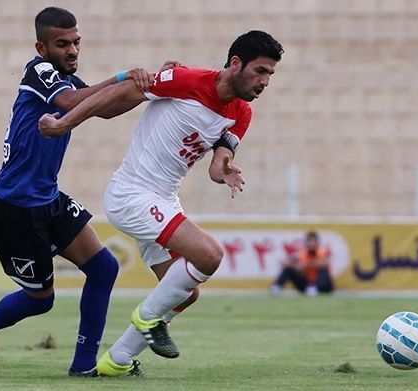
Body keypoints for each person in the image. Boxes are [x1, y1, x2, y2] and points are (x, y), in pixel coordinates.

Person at [38, 30, 283, 376]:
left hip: (164, 200)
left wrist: (222, 169)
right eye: (260, 71)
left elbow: (218, 162)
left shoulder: (241, 114)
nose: (265, 81)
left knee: (184, 293)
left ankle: (117, 361)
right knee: (209, 255)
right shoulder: (186, 80)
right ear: (235, 63)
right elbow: (118, 94)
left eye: (271, 74)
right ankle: (148, 317)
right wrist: (64, 124)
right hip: (132, 193)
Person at [0, 7, 170, 378]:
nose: (72, 50)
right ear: (41, 46)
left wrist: (152, 87)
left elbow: (102, 109)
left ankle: (84, 366)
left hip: (48, 199)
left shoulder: (67, 82)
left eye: (76, 42)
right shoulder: (38, 71)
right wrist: (124, 78)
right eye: (62, 44)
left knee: (103, 268)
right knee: (42, 301)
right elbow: (75, 104)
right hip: (13, 208)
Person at [269, 231, 334, 296]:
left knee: (323, 270)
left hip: (323, 285)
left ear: (317, 242)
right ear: (306, 242)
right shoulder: (301, 253)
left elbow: (326, 262)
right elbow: (283, 262)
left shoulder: (322, 251)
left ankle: (314, 288)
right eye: (309, 241)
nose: (311, 243)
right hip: (306, 285)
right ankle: (277, 287)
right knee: (288, 269)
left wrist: (306, 264)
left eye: (314, 241)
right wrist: (296, 266)